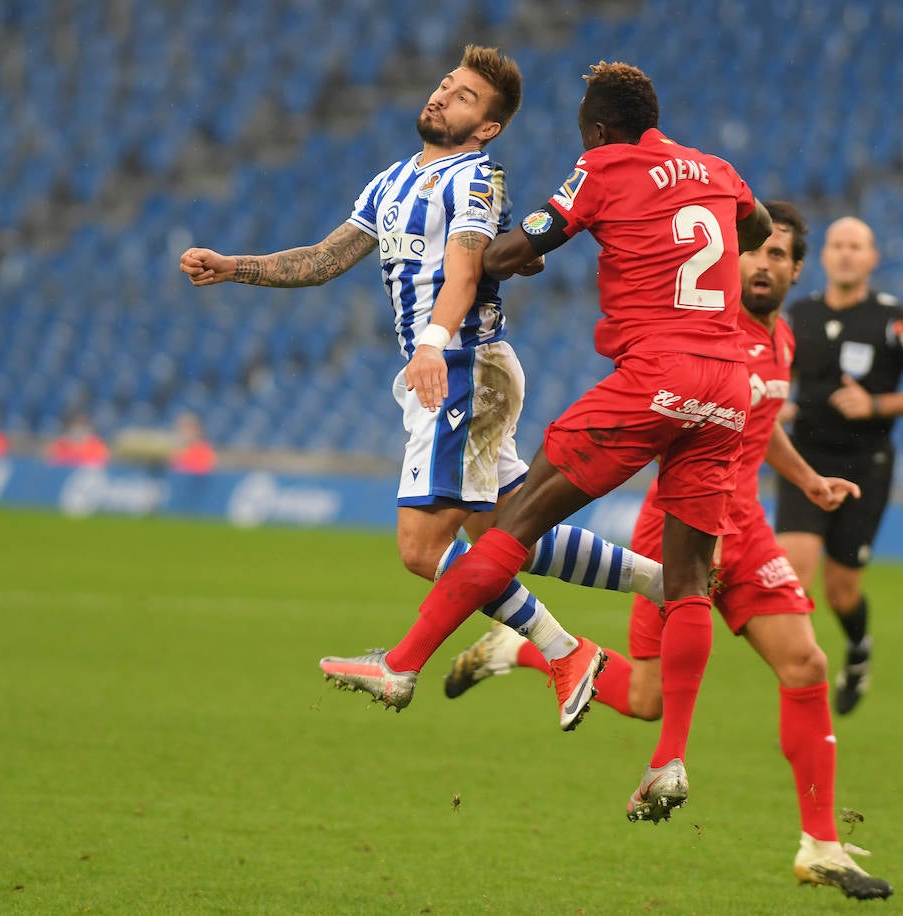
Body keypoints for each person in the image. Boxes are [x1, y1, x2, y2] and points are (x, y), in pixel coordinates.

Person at [319, 60, 772, 806]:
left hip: (654, 376)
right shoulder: (718, 170)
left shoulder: (600, 165)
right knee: (690, 583)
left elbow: (515, 248)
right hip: (727, 389)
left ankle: (402, 664)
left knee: (511, 524)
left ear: (594, 128)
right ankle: (668, 763)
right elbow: (751, 223)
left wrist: (486, 259)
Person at [178, 47, 665, 724]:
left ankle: (562, 651)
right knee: (504, 529)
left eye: (464, 97)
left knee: (423, 549)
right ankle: (666, 581)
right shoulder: (390, 181)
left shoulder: (477, 179)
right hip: (458, 368)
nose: (441, 97)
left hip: (464, 364)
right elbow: (324, 259)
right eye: (445, 86)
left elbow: (465, 271)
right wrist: (236, 266)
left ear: (487, 126)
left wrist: (434, 344)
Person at [442, 202, 893, 899]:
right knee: (649, 699)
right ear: (732, 255)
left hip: (747, 527)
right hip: (682, 526)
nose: (763, 265)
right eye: (755, 252)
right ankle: (520, 651)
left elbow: (761, 416)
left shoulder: (783, 342)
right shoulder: (708, 332)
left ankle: (821, 844)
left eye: (778, 256)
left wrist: (807, 479)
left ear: (797, 270)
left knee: (805, 662)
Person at [773, 217, 903, 715]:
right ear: (824, 258)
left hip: (865, 466)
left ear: (872, 258)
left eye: (857, 247)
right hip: (806, 462)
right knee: (792, 574)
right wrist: (778, 401)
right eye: (838, 246)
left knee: (842, 592)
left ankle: (857, 650)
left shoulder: (891, 319)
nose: (847, 255)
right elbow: (779, 377)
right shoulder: (797, 315)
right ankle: (803, 677)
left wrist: (875, 406)